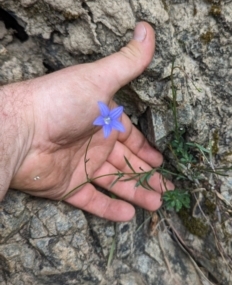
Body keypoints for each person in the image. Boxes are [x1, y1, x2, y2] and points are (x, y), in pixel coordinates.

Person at [0, 22, 174, 221]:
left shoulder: (108, 123)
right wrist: (23, 119)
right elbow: (106, 120)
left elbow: (108, 120)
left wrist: (23, 124)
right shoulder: (104, 121)